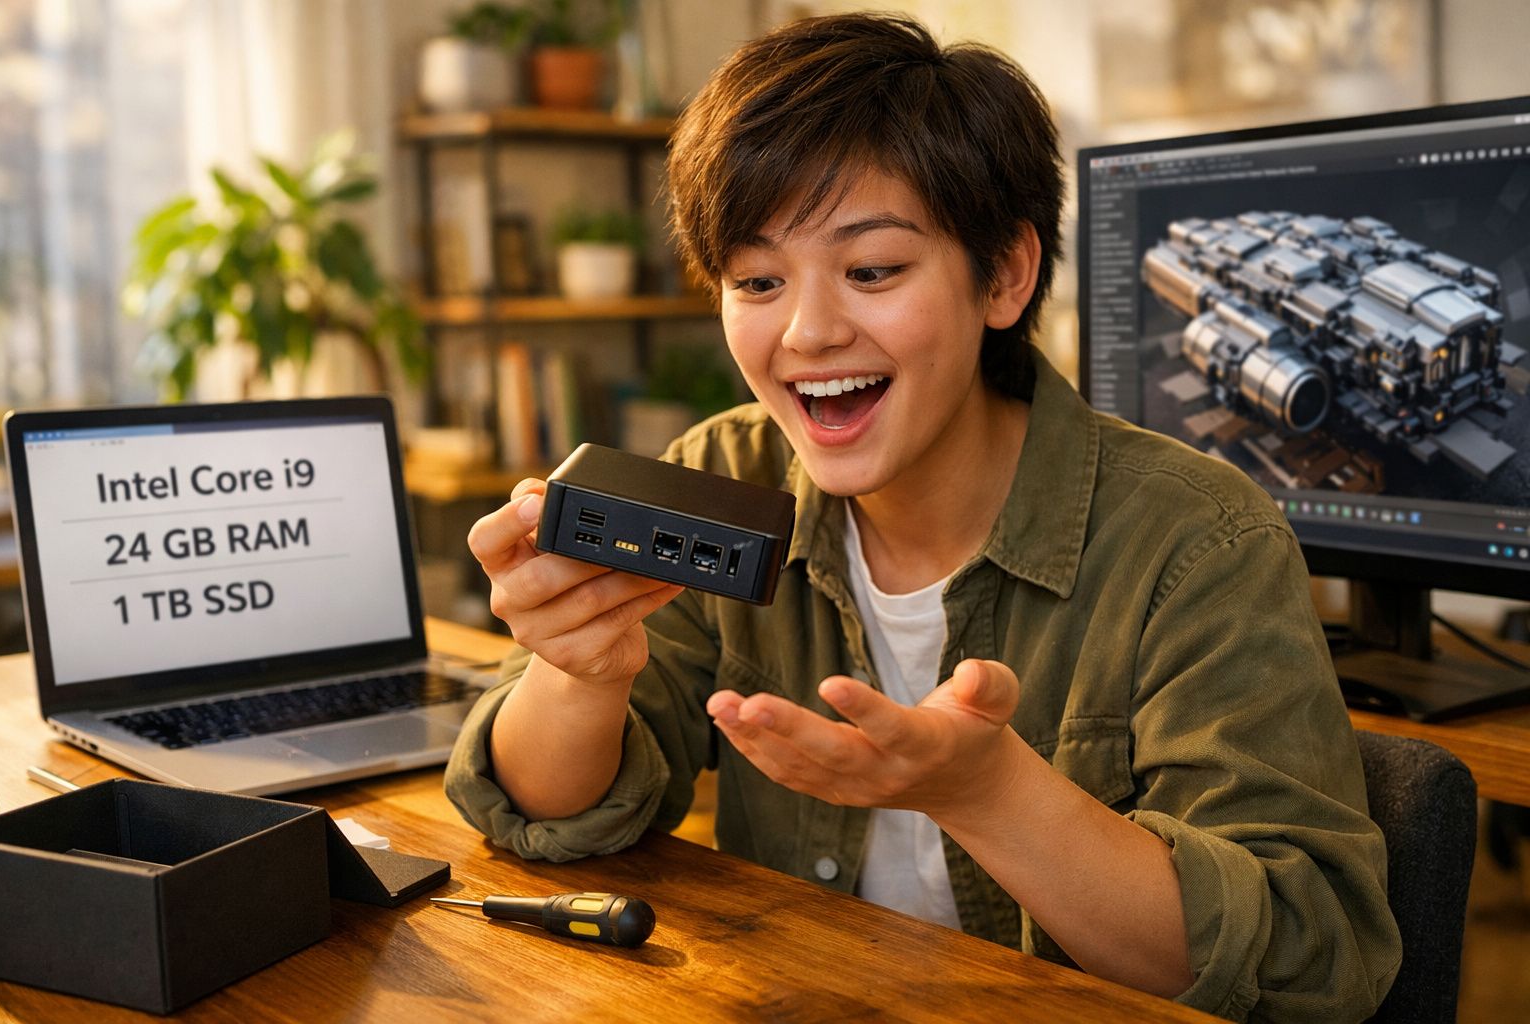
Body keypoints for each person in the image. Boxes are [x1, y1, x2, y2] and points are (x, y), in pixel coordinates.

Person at [445, 13, 1400, 1020]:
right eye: (758, 281)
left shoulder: (1199, 542)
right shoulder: (720, 475)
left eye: (873, 271)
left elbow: (1312, 955)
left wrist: (989, 793)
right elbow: (549, 817)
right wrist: (578, 670)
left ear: (1004, 275)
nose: (809, 331)